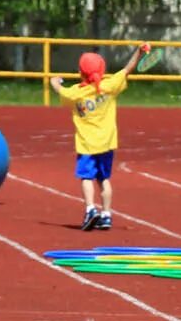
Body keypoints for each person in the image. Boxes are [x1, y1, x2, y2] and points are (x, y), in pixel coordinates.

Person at [51, 43, 146, 231]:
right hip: (107, 143)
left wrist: (55, 81)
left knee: (86, 177)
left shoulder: (76, 93)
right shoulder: (109, 86)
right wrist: (139, 51)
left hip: (87, 145)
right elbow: (127, 69)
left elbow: (60, 90)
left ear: (81, 72)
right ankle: (107, 215)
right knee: (104, 179)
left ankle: (90, 209)